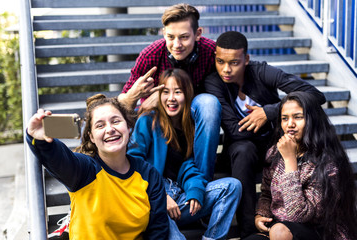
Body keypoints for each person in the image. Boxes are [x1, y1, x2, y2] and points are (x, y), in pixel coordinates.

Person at [204, 31, 326, 238]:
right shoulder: (213, 83)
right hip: (241, 150)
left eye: (234, 62)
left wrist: (269, 112)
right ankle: (249, 231)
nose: (226, 69)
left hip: (277, 145)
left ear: (246, 59)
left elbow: (315, 95)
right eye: (220, 61)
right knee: (243, 149)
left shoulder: (262, 72)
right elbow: (234, 131)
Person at [26, 95, 168, 239]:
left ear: (129, 127)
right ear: (91, 136)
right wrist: (39, 139)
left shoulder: (148, 173)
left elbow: (158, 230)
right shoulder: (85, 170)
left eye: (116, 121)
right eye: (100, 125)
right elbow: (59, 159)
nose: (110, 129)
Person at [128, 68, 242, 240]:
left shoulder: (190, 128)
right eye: (166, 92)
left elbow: (190, 167)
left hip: (180, 200)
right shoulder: (147, 121)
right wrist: (160, 196)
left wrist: (195, 190)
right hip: (154, 203)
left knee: (232, 186)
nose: (171, 98)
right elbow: (133, 164)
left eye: (178, 92)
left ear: (187, 96)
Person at [118, 3, 220, 181]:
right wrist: (136, 96)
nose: (176, 45)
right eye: (170, 37)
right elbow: (122, 103)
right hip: (161, 120)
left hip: (193, 115)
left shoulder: (211, 51)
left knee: (209, 104)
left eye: (184, 37)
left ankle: (202, 182)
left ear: (198, 34)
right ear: (163, 33)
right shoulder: (151, 55)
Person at [245, 91, 357, 240]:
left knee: (279, 231)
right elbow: (266, 193)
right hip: (281, 228)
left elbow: (299, 215)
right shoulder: (275, 153)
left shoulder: (328, 163)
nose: (290, 124)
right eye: (285, 118)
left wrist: (290, 161)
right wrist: (261, 214)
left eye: (298, 117)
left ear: (313, 120)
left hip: (320, 231)